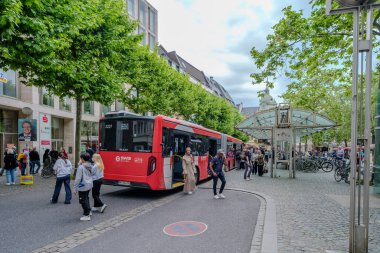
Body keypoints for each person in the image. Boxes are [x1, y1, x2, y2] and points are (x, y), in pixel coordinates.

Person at [74, 153, 94, 221]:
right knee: (86, 198)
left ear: (82, 159)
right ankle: (89, 211)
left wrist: (75, 188)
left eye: (80, 158)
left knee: (83, 200)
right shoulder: (90, 165)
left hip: (83, 185)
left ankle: (87, 215)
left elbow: (78, 179)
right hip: (89, 184)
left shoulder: (81, 167)